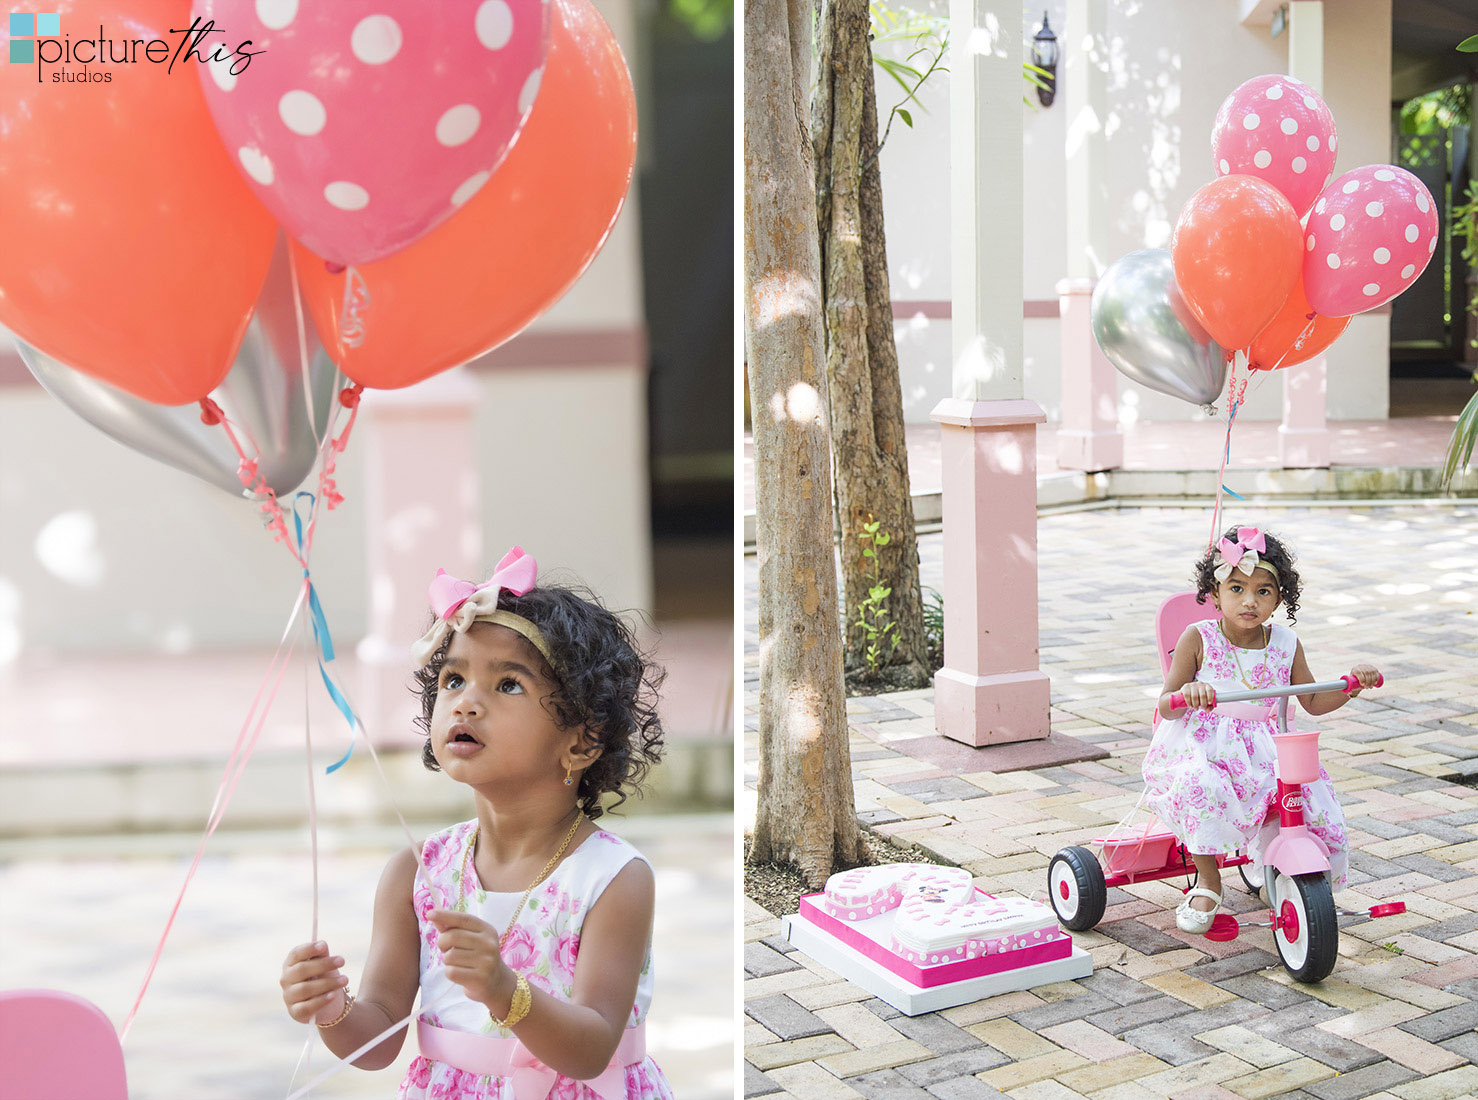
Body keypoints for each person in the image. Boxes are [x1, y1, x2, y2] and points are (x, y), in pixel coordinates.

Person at [280, 547, 673, 1099]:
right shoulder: (416, 873)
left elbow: (592, 1048)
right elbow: (379, 1038)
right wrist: (331, 1009)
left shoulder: (613, 878)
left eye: (507, 684)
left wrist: (502, 988)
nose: (466, 703)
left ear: (582, 740)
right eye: (452, 680)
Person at [1142, 527, 1380, 935]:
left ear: (1280, 599)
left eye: (1264, 592)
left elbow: (1313, 701)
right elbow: (1165, 704)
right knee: (1201, 786)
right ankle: (1208, 881)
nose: (1249, 601)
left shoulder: (1285, 642)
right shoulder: (1197, 638)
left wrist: (1352, 686)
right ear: (1214, 594)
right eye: (1236, 588)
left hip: (1264, 744)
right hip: (1205, 743)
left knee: (1305, 796)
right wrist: (1188, 691)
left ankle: (1286, 873)